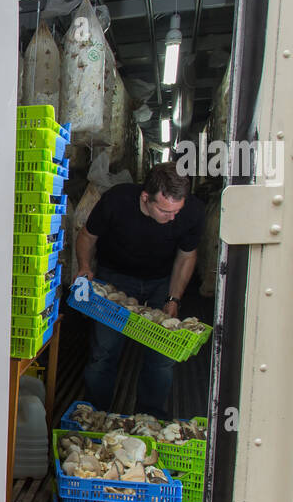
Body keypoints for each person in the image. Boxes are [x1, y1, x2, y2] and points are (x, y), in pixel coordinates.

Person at [74, 161, 203, 418]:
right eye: (166, 211)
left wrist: (173, 298)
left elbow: (186, 256)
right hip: (115, 279)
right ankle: (94, 416)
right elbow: (88, 236)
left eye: (178, 210)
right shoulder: (116, 200)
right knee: (104, 351)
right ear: (146, 198)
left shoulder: (192, 211)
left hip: (161, 281)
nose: (173, 218)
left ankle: (150, 416)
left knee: (162, 355)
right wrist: (85, 267)